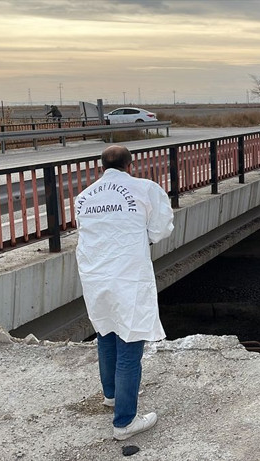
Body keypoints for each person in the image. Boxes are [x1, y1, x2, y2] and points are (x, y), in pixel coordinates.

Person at [74, 145, 174, 441]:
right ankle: (124, 422)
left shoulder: (84, 197)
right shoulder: (145, 189)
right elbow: (161, 229)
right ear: (130, 164)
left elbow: (85, 231)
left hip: (94, 276)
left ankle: (112, 395)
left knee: (105, 332)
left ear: (101, 166)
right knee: (130, 343)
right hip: (128, 276)